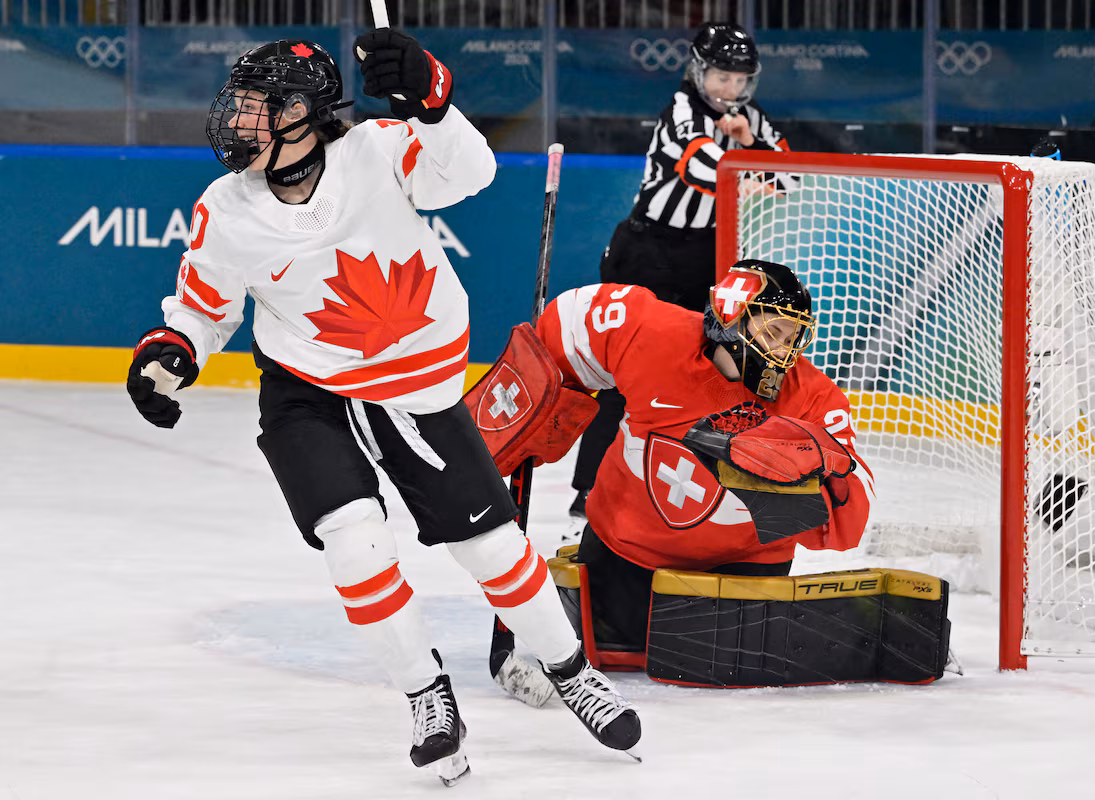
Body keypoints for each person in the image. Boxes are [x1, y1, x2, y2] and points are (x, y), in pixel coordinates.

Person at [124, 33, 640, 786]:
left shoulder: (379, 151)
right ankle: (428, 696)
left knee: (492, 547)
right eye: (237, 106)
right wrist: (172, 351)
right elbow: (202, 307)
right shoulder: (225, 209)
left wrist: (433, 101)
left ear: (303, 114)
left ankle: (570, 669)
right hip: (307, 394)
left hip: (416, 388)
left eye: (256, 109)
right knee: (354, 542)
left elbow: (470, 171)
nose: (237, 123)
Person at [526, 261, 874, 651]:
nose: (783, 351)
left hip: (744, 573)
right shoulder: (652, 332)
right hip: (626, 556)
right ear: (732, 314)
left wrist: (817, 467)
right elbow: (568, 319)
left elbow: (850, 523)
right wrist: (535, 403)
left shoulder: (812, 396)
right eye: (774, 331)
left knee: (722, 664)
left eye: (793, 339)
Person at [566, 22, 792, 538]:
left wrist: (752, 139)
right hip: (647, 252)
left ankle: (682, 479)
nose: (730, 89)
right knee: (624, 374)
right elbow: (703, 170)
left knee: (704, 370)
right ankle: (591, 487)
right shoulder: (680, 110)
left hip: (701, 259)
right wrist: (748, 157)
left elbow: (790, 176)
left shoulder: (750, 118)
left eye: (739, 80)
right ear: (698, 70)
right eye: (721, 75)